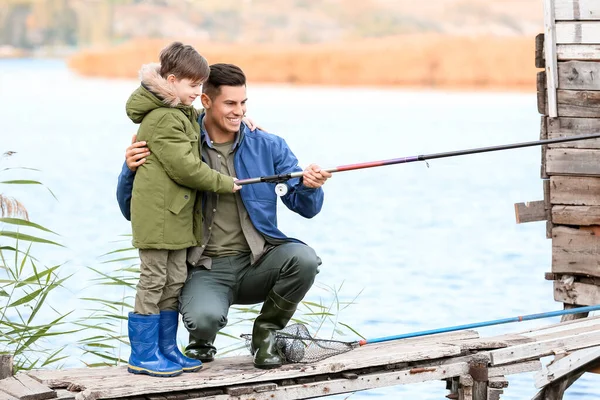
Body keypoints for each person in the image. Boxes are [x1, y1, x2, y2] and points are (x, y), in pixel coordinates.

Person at [117, 63, 332, 370]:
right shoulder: (178, 140)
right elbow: (130, 209)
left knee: (305, 259)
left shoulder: (268, 144)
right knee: (203, 320)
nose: (239, 112)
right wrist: (130, 168)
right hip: (205, 268)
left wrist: (311, 186)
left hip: (258, 260)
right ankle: (199, 339)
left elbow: (306, 208)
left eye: (244, 103)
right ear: (205, 101)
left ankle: (266, 333)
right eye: (230, 104)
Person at [124, 43, 242, 377]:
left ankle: (166, 349)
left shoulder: (181, 112)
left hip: (175, 217)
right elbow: (186, 168)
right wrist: (224, 182)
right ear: (172, 80)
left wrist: (243, 121)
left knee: (174, 279)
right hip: (158, 216)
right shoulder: (163, 118)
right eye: (192, 86)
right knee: (153, 280)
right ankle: (143, 355)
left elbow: (204, 122)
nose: (196, 93)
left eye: (200, 87)